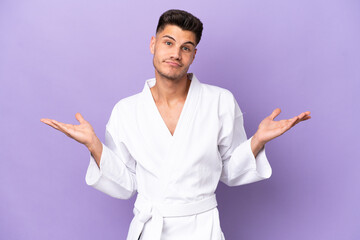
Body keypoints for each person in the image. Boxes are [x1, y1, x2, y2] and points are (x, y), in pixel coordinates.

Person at [41, 9, 311, 240]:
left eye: (186, 47)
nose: (176, 54)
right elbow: (125, 184)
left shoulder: (220, 101)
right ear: (153, 44)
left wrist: (257, 141)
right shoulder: (126, 110)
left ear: (194, 54)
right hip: (151, 228)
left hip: (201, 228)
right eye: (168, 43)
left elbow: (229, 171)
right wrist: (94, 146)